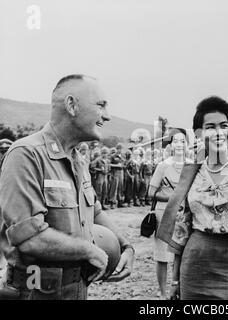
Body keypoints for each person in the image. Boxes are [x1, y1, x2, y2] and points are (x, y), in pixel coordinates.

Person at [0, 74, 134, 300]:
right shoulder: (26, 154)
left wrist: (125, 246)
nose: (107, 116)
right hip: (35, 291)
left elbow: (95, 211)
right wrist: (89, 250)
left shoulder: (78, 159)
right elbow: (29, 239)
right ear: (71, 105)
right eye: (100, 105)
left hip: (75, 289)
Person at [157, 96, 228, 300]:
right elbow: (181, 228)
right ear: (199, 133)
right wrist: (174, 281)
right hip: (193, 263)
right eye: (210, 126)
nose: (218, 132)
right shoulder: (191, 173)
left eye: (224, 125)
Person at [148, 128, 188, 300]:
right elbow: (151, 192)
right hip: (163, 213)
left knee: (181, 253)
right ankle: (162, 292)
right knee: (162, 255)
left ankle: (177, 288)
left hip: (185, 214)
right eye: (176, 141)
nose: (179, 145)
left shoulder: (192, 164)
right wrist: (171, 197)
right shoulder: (163, 165)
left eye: (183, 141)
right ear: (171, 145)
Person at [107, 143, 124, 209]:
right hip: (115, 172)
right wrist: (116, 165)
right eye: (119, 149)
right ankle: (112, 202)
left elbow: (123, 163)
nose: (120, 150)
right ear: (117, 149)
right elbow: (109, 164)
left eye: (121, 149)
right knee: (114, 187)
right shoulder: (113, 156)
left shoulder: (122, 156)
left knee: (121, 187)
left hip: (121, 172)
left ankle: (120, 202)